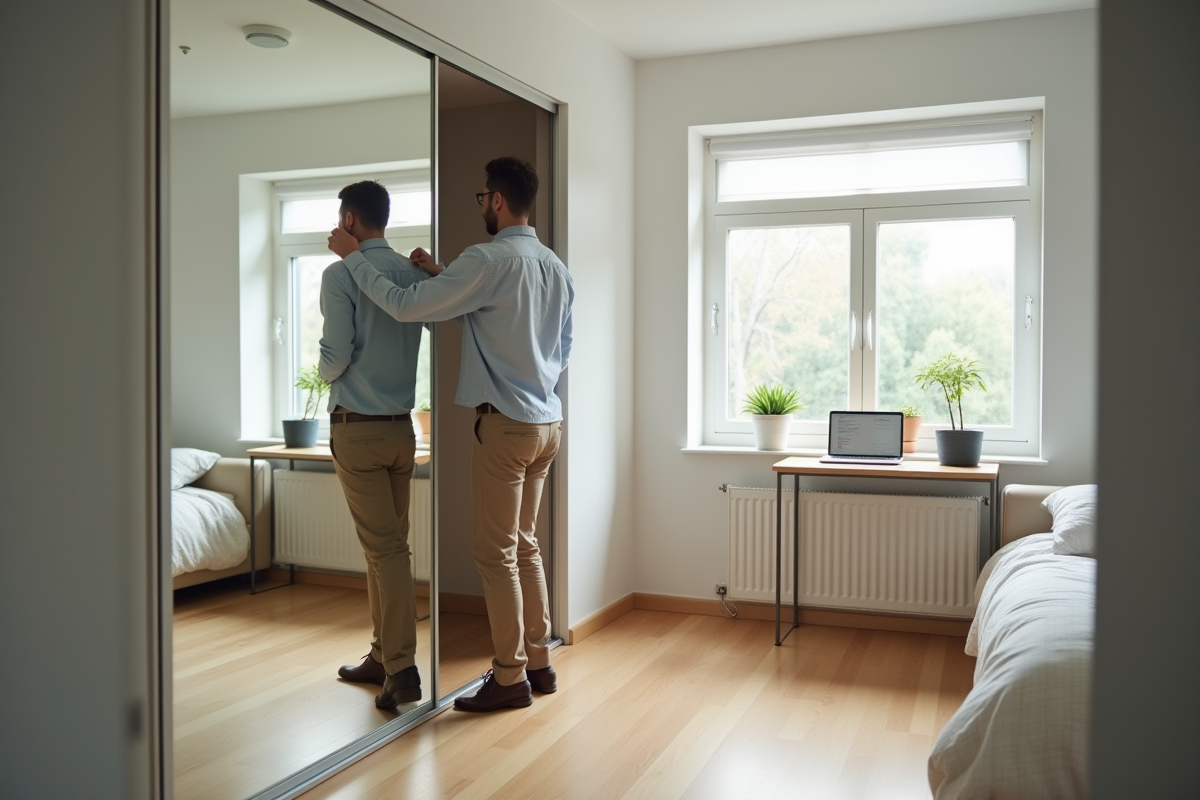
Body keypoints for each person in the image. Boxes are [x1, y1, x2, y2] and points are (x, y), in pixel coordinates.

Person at [327, 156, 573, 713]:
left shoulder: (486, 259)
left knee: (496, 554)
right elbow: (557, 349)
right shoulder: (555, 267)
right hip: (546, 422)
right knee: (525, 545)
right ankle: (540, 662)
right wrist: (444, 275)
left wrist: (352, 260)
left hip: (505, 424)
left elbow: (402, 305)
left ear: (499, 202)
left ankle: (509, 677)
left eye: (483, 196)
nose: (481, 203)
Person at [319, 180, 431, 709]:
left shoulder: (340, 274)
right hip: (401, 430)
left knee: (384, 550)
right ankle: (382, 654)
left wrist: (324, 373)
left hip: (357, 429)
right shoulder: (413, 274)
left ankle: (402, 670)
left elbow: (336, 354)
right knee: (387, 548)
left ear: (348, 220)